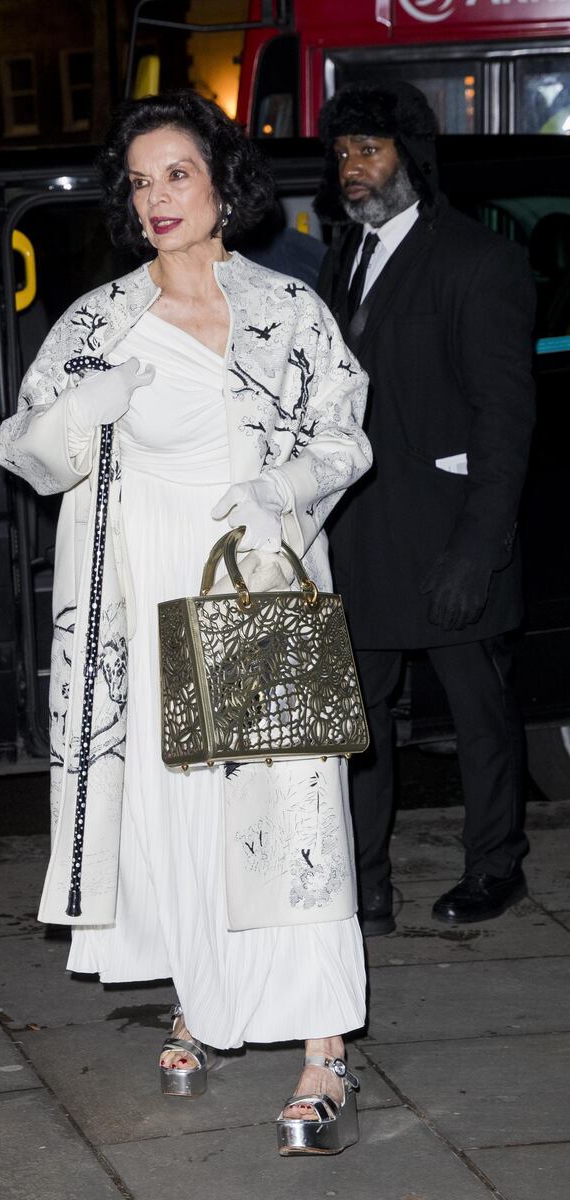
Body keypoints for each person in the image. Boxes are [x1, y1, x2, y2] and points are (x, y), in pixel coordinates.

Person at [0, 91, 372, 1155]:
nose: (155, 197)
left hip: (249, 594)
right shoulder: (98, 320)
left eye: (175, 173)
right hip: (138, 605)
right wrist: (82, 409)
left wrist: (284, 487)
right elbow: (28, 452)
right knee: (182, 827)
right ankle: (203, 1005)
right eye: (138, 179)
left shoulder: (283, 310)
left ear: (220, 182)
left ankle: (322, 1052)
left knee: (290, 829)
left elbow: (347, 437)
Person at [315, 81, 536, 936]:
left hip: (451, 538)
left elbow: (506, 420)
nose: (351, 169)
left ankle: (495, 867)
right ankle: (366, 887)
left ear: (412, 158)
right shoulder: (344, 256)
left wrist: (477, 551)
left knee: (478, 715)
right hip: (363, 539)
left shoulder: (479, 262)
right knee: (359, 722)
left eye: (368, 150)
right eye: (341, 153)